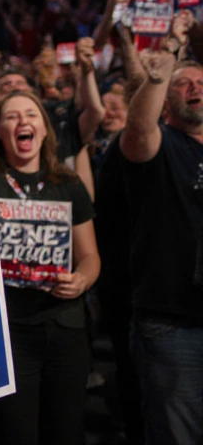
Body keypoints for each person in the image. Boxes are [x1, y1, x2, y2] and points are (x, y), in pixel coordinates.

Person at [0, 84, 99, 445]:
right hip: (10, 334)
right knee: (16, 435)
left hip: (65, 329)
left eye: (30, 114)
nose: (22, 121)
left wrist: (81, 281)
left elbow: (90, 256)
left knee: (66, 433)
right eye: (11, 116)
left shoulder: (68, 184)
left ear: (43, 128)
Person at [115, 32, 203, 443]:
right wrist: (166, 59)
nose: (195, 88)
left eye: (202, 83)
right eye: (183, 84)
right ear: (166, 101)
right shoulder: (158, 143)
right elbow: (137, 125)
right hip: (173, 323)